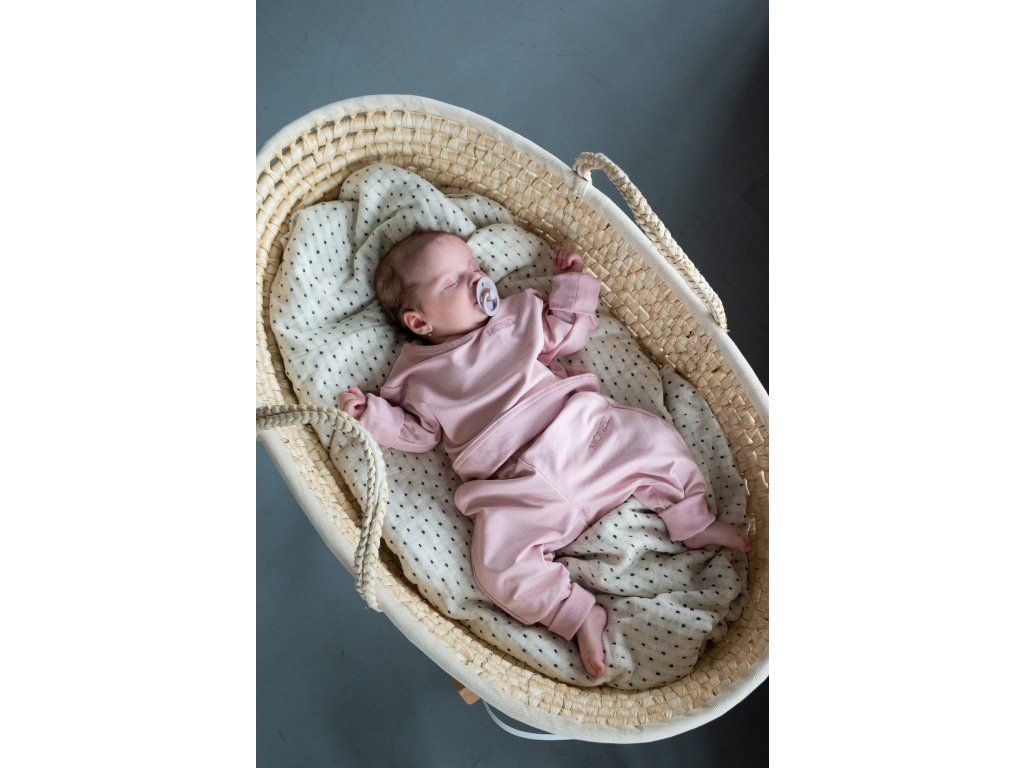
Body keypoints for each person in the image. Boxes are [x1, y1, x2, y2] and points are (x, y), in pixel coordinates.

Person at [337, 230, 749, 678]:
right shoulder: (418, 377)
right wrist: (370, 416)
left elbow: (570, 332)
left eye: (476, 269)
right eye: (453, 282)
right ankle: (575, 613)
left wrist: (571, 285)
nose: (478, 281)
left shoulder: (516, 316)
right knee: (497, 563)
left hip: (580, 434)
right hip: (516, 484)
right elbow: (418, 434)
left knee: (651, 439)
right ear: (419, 322)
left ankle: (691, 520)